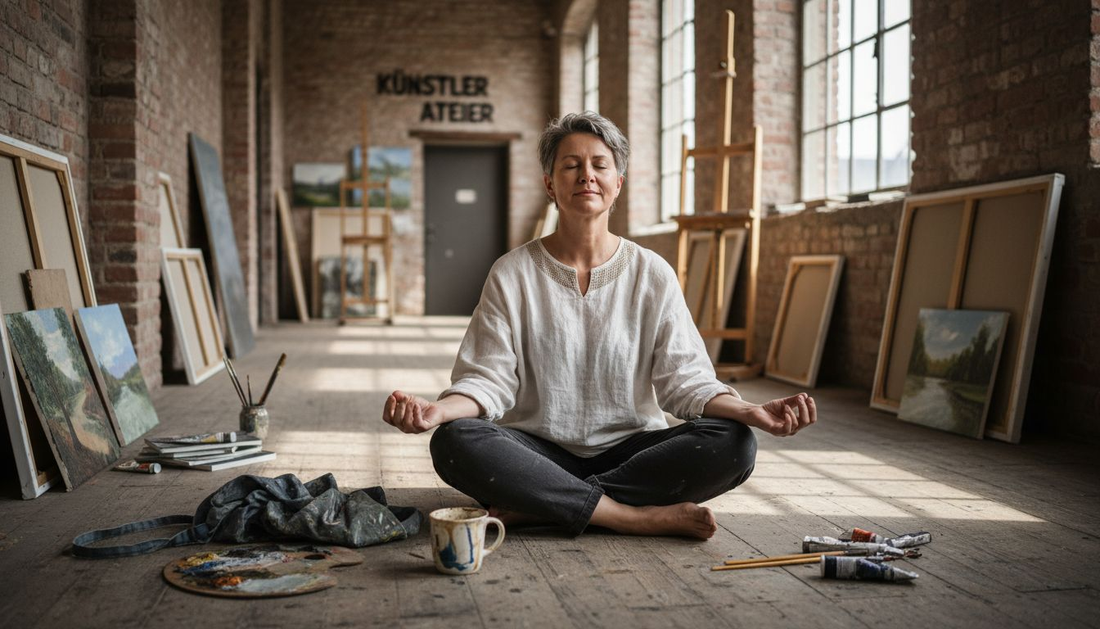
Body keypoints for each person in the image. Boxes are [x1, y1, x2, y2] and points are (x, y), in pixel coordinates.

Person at [382, 112, 815, 540]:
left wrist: (750, 412)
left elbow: (685, 382)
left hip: (633, 454)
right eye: (571, 165)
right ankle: (630, 517)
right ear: (551, 184)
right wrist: (438, 411)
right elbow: (487, 381)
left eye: (599, 165)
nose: (586, 175)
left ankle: (541, 507)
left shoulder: (652, 273)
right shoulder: (512, 273)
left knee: (735, 443)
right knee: (454, 441)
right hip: (537, 452)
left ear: (617, 184)